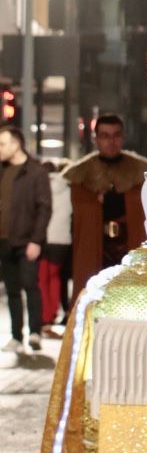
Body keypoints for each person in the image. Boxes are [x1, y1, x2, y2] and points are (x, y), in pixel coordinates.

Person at [66, 113, 147, 297]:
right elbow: (80, 210)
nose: (111, 141)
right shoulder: (82, 173)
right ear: (96, 139)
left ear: (123, 137)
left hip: (129, 245)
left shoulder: (140, 171)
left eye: (116, 135)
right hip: (96, 245)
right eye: (105, 136)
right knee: (95, 293)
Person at [0, 126, 50, 353]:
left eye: (3, 144)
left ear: (16, 144)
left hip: (27, 240)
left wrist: (36, 240)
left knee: (30, 286)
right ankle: (16, 336)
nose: (0, 149)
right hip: (4, 240)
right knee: (11, 290)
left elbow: (44, 208)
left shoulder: (35, 172)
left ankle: (35, 332)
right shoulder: (3, 170)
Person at [39, 160, 71, 332]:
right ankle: (54, 312)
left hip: (44, 239)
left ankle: (45, 315)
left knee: (42, 278)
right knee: (55, 277)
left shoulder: (40, 187)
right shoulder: (67, 188)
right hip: (62, 240)